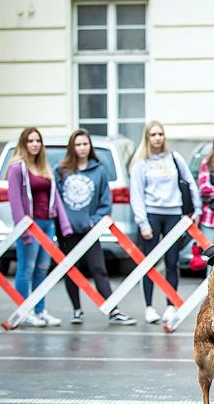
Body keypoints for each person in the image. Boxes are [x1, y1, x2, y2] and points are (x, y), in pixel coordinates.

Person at [54, 129, 136, 326]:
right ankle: (76, 310)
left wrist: (94, 222)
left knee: (98, 268)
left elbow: (105, 202)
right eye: (78, 144)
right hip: (67, 232)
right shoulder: (61, 170)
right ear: (72, 147)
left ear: (89, 146)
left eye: (85, 144)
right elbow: (55, 201)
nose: (82, 148)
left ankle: (113, 310)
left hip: (90, 232)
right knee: (71, 270)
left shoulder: (99, 170)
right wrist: (64, 223)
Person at [130, 121, 201, 325]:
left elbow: (189, 183)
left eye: (160, 134)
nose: (158, 138)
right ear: (147, 138)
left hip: (174, 215)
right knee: (149, 263)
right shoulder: (141, 163)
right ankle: (149, 307)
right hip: (152, 215)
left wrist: (196, 209)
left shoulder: (174, 158)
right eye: (153, 134)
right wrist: (142, 223)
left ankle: (171, 305)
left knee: (172, 262)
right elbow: (136, 195)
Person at [7, 127, 73, 327]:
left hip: (47, 225)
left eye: (38, 141)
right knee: (26, 268)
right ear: (24, 144)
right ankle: (23, 310)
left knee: (42, 269)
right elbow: (15, 201)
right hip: (30, 225)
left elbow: (56, 199)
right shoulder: (17, 168)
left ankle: (40, 310)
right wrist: (23, 229)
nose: (35, 144)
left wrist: (65, 225)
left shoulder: (45, 168)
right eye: (31, 141)